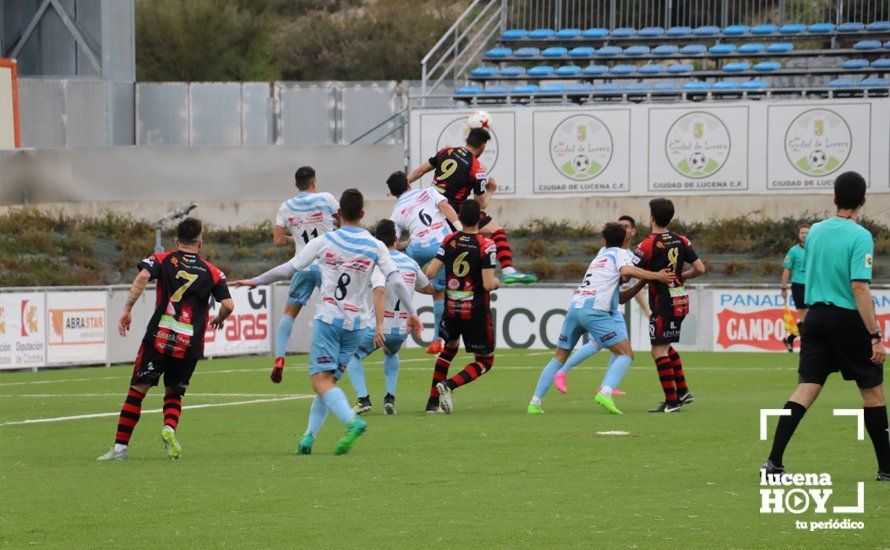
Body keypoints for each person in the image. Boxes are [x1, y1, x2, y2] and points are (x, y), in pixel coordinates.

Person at [233, 189, 421, 455]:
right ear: (363, 214)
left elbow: (289, 268)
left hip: (329, 320)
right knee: (328, 382)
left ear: (339, 214)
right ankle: (308, 438)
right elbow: (397, 281)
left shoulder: (325, 241)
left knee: (320, 381)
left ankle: (351, 421)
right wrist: (412, 312)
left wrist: (254, 280)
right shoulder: (375, 245)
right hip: (356, 326)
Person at [763, 172, 888, 481]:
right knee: (872, 393)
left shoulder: (816, 231)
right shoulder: (860, 236)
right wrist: (875, 335)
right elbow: (859, 287)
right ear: (863, 201)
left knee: (805, 389)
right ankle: (886, 468)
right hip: (846, 319)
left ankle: (773, 462)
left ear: (834, 198)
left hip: (815, 318)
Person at [98, 218, 234, 461]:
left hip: (159, 337)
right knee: (174, 393)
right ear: (200, 243)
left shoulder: (162, 259)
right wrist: (219, 318)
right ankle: (169, 427)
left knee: (137, 391)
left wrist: (127, 308)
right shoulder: (213, 272)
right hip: (189, 343)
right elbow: (228, 305)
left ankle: (120, 449)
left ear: (176, 241)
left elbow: (142, 277)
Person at [528, 223, 674, 415]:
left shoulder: (600, 256)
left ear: (603, 241)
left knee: (559, 357)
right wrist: (657, 276)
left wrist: (643, 282)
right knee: (625, 354)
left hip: (575, 307)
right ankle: (605, 392)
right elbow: (627, 271)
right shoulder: (620, 253)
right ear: (624, 241)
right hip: (594, 310)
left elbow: (620, 297)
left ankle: (534, 403)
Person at [407, 127, 536, 286]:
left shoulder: (446, 151)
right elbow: (480, 204)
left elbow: (420, 171)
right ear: (482, 146)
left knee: (422, 272)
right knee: (496, 231)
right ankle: (508, 270)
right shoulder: (477, 169)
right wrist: (490, 191)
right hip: (453, 214)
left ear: (466, 140)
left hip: (429, 209)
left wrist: (404, 185)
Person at [553, 214, 651, 394]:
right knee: (603, 346)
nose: (624, 229)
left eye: (627, 226)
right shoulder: (610, 252)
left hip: (612, 307)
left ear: (633, 231)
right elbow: (622, 277)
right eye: (621, 226)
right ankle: (565, 372)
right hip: (603, 308)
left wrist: (646, 306)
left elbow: (628, 284)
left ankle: (606, 386)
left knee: (618, 347)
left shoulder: (629, 255)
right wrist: (652, 275)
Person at [626, 198, 707, 413]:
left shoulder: (646, 245)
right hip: (679, 299)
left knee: (658, 350)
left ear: (651, 216)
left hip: (663, 302)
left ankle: (672, 403)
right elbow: (700, 268)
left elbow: (628, 272)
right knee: (666, 346)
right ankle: (682, 392)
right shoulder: (681, 239)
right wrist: (682, 277)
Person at [347, 219, 435, 415]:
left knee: (350, 355)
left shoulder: (377, 263)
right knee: (391, 353)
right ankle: (389, 398)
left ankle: (363, 399)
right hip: (402, 330)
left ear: (377, 240)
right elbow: (427, 287)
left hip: (378, 328)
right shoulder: (411, 263)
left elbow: (378, 291)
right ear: (396, 239)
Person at [423, 199, 501, 414]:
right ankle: (449, 385)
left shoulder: (449, 240)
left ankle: (432, 403)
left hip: (451, 307)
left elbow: (430, 272)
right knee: (485, 362)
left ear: (460, 217)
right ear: (479, 219)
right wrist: (496, 282)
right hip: (474, 311)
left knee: (449, 350)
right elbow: (487, 283)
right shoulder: (486, 245)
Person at [271, 166, 339, 382]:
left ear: (295, 185)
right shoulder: (327, 199)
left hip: (303, 263)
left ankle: (280, 357)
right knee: (334, 310)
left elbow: (278, 240)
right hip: (327, 265)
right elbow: (344, 221)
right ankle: (333, 357)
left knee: (289, 313)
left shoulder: (286, 207)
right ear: (314, 182)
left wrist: (296, 239)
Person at [386, 171, 458, 355]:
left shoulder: (396, 212)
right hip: (442, 243)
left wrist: (406, 244)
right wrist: (459, 228)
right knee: (440, 293)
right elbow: (445, 207)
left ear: (394, 193)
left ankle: (400, 317)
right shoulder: (428, 192)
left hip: (417, 247)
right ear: (408, 184)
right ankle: (437, 340)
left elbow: (392, 243)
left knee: (401, 274)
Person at [780, 224, 810, 352]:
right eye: (802, 233)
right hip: (799, 286)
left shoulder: (816, 249)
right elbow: (787, 270)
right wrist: (783, 288)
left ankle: (790, 339)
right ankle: (806, 347)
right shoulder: (793, 251)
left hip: (813, 286)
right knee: (804, 317)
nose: (804, 235)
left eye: (807, 233)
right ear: (798, 235)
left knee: (812, 317)